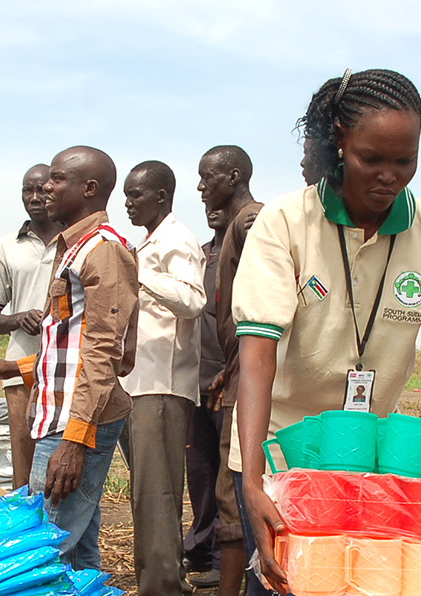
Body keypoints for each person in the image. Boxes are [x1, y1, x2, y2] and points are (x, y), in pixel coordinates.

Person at [232, 69, 421, 594]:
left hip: (374, 462)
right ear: (339, 144)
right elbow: (257, 355)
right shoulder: (284, 223)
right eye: (372, 159)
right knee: (288, 582)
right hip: (282, 458)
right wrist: (255, 482)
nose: (389, 176)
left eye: (405, 160)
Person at [0, 146, 138, 571]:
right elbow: (68, 343)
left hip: (74, 424)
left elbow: (102, 352)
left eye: (57, 179)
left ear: (90, 188)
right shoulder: (73, 248)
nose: (47, 187)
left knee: (42, 549)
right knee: (76, 551)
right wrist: (14, 367)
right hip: (61, 416)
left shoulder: (103, 250)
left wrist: (75, 442)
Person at [117, 161, 206, 596]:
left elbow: (191, 300)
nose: (128, 203)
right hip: (141, 383)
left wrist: (139, 273)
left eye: (136, 195)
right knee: (150, 494)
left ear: (162, 196)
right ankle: (164, 579)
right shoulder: (150, 242)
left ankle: (162, 587)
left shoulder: (176, 240)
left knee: (156, 496)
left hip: (162, 386)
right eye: (127, 196)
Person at [197, 145, 261, 596]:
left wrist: (241, 368)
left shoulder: (252, 222)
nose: (201, 186)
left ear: (233, 176)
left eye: (208, 177)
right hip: (237, 371)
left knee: (233, 496)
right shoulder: (237, 228)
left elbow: (263, 312)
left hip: (249, 381)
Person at [0, 163, 65, 490]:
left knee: (63, 458)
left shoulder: (73, 242)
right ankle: (26, 533)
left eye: (41, 190)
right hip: (18, 370)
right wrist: (19, 318)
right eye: (26, 191)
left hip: (63, 367)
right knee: (24, 459)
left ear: (54, 191)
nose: (34, 198)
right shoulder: (6, 248)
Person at [182, 205, 230, 587]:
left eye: (209, 181)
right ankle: (199, 546)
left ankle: (221, 556)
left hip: (225, 378)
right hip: (194, 379)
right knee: (199, 472)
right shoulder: (199, 253)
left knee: (225, 474)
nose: (205, 198)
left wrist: (229, 371)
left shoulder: (249, 250)